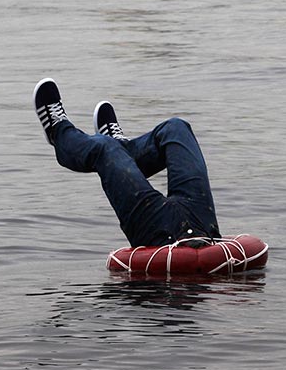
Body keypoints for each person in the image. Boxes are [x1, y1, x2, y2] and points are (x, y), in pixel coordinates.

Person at [33, 78, 221, 248]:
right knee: (176, 127)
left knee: (104, 146)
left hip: (160, 233)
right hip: (202, 219)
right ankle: (125, 151)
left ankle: (59, 133)